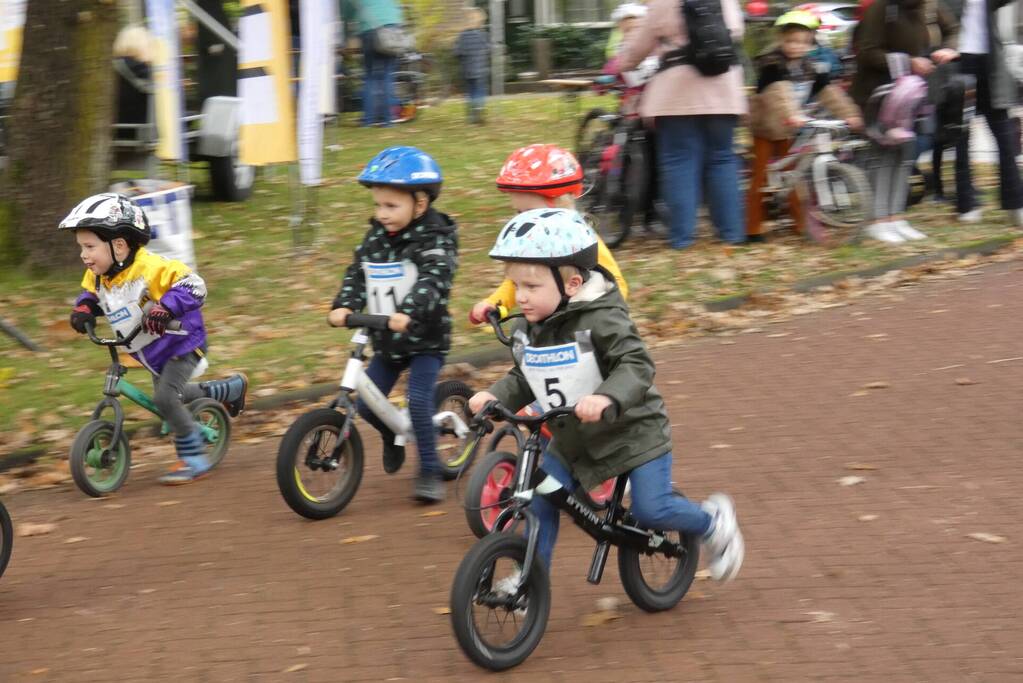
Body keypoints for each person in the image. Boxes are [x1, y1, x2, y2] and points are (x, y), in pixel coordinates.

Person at [467, 208, 744, 581]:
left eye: (532, 287)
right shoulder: (533, 327)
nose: (521, 297)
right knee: (539, 503)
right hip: (573, 440)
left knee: (651, 511)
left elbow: (635, 363)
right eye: (517, 287)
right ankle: (528, 581)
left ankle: (712, 522)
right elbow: (525, 376)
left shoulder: (602, 317)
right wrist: (492, 395)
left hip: (632, 432)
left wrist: (608, 397)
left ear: (572, 285)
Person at [60, 193, 247, 485]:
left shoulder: (151, 268)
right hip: (150, 350)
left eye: (89, 247)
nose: (84, 255)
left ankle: (194, 455)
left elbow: (194, 285)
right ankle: (231, 389)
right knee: (175, 396)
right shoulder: (99, 275)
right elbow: (91, 295)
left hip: (182, 343)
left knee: (165, 398)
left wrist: (166, 307)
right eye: (81, 247)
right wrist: (83, 309)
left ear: (119, 245)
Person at [328, 147, 459, 503]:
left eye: (390, 206)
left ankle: (430, 469)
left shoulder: (435, 238)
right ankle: (392, 434)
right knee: (369, 405)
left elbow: (434, 280)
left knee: (418, 401)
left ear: (420, 204)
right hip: (386, 339)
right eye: (378, 205)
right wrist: (344, 304)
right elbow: (357, 273)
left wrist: (411, 311)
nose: (381, 214)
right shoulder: (375, 238)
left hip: (425, 340)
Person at [618, 0, 748, 249]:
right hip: (723, 87)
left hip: (677, 94)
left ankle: (682, 238)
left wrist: (625, 63)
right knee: (722, 159)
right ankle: (731, 233)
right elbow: (736, 32)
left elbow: (638, 47)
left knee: (680, 162)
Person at [468, 144, 629, 325]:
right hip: (546, 325)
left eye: (530, 212)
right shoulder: (531, 239)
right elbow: (520, 280)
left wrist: (602, 318)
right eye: (518, 212)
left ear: (561, 205)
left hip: (586, 327)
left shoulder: (582, 240)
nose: (523, 220)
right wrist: (494, 303)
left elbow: (616, 284)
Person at [747, 10, 863, 241]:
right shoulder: (772, 64)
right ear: (781, 40)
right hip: (767, 126)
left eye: (802, 42)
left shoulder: (810, 65)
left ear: (810, 43)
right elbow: (779, 93)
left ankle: (800, 224)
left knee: (793, 176)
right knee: (760, 176)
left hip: (789, 127)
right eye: (790, 41)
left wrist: (850, 114)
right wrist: (793, 115)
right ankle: (752, 227)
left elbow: (829, 93)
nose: (795, 46)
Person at [850, 0, 958, 242]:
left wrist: (948, 49)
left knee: (904, 155)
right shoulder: (881, 8)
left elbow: (953, 29)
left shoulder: (930, 7)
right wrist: (908, 62)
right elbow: (867, 52)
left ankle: (895, 217)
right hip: (877, 95)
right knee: (881, 157)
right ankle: (876, 220)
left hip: (911, 95)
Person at [943, 0, 1023, 225]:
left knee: (1005, 138)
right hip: (959, 65)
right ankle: (967, 205)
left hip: (990, 67)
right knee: (961, 138)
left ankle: (1015, 203)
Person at [342, 0, 404, 126]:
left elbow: (346, 16)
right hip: (392, 29)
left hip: (370, 30)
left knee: (370, 77)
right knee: (387, 76)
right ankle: (388, 120)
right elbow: (396, 8)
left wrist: (345, 39)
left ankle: (368, 120)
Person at [112, 25, 153, 130]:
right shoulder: (136, 66)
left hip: (121, 126)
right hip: (141, 128)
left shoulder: (115, 65)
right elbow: (160, 89)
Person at [452, 7, 489, 125]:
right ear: (480, 22)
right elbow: (489, 48)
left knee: (470, 92)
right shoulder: (483, 35)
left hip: (467, 70)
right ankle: (478, 109)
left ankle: (471, 116)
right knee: (480, 90)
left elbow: (457, 52)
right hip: (480, 69)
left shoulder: (462, 36)